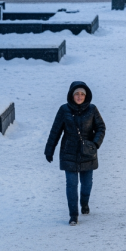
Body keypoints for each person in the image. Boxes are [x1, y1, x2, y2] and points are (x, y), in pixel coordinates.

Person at [45, 81, 106, 226]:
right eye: (77, 94)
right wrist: (49, 150)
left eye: (82, 94)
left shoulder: (92, 109)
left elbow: (101, 127)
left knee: (87, 184)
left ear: (86, 95)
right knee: (71, 185)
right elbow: (55, 131)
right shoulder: (64, 110)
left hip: (87, 153)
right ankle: (73, 215)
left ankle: (84, 203)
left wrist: (95, 143)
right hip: (69, 152)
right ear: (71, 95)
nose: (79, 96)